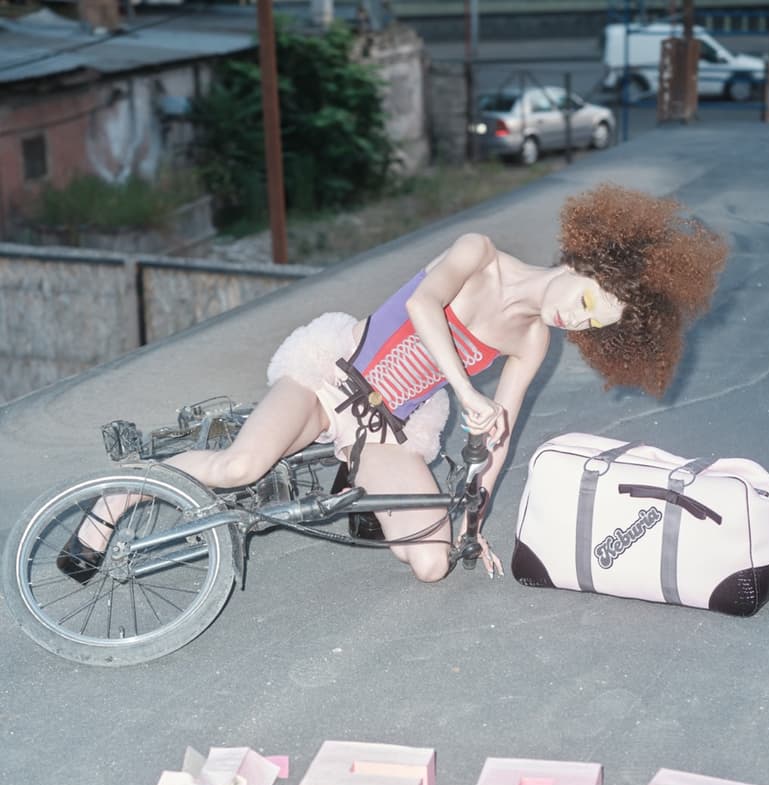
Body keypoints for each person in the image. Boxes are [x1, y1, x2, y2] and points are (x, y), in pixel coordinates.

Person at [57, 183, 727, 585]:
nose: (571, 317)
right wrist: (468, 392)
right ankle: (118, 497)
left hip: (395, 427)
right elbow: (420, 309)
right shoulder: (478, 254)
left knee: (435, 564)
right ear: (586, 260)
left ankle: (369, 489)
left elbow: (499, 431)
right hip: (333, 377)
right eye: (587, 299)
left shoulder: (533, 339)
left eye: (592, 326)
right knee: (241, 464)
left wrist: (474, 515)